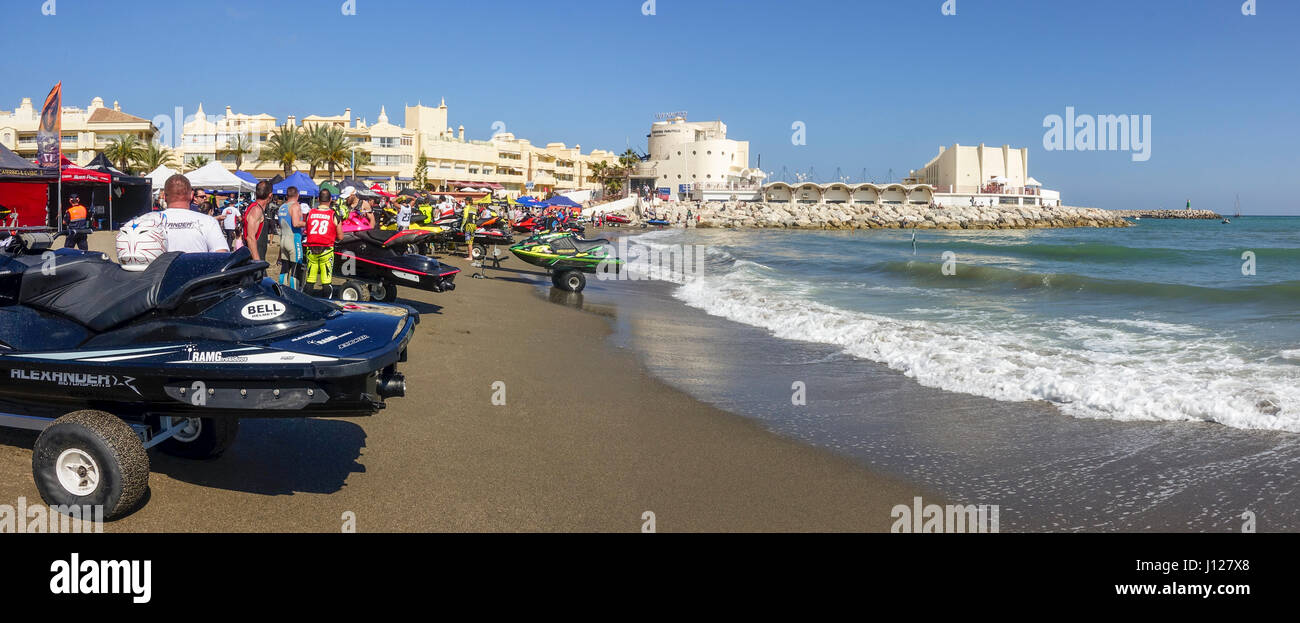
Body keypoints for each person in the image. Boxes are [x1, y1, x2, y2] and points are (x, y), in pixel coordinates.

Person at [159, 175, 229, 253]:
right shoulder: (209, 221)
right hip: (198, 265)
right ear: (192, 195)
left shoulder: (148, 221)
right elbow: (221, 254)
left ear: (164, 197)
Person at [303, 189, 343, 294]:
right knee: (326, 281)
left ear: (318, 199)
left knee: (310, 279)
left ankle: (307, 303)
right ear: (330, 200)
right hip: (327, 250)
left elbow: (307, 230)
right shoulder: (333, 215)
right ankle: (327, 303)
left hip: (311, 250)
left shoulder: (310, 213)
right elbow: (340, 236)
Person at [277, 186, 307, 288]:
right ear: (297, 195)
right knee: (296, 268)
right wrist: (308, 223)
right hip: (294, 240)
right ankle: (294, 295)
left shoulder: (282, 207)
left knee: (284, 268)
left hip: (283, 240)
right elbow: (295, 223)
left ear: (287, 195)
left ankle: (281, 291)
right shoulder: (295, 206)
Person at [243, 180, 273, 262]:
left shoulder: (257, 208)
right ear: (270, 195)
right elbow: (250, 238)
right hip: (253, 261)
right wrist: (257, 262)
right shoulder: (256, 210)